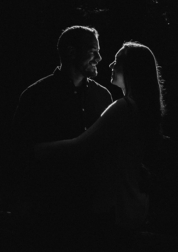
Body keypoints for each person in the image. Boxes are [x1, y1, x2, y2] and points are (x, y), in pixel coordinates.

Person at [34, 41, 166, 233]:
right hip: (135, 203)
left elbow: (79, 146)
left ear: (131, 68)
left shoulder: (124, 108)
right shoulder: (143, 108)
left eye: (117, 60)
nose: (111, 65)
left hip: (116, 206)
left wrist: (37, 150)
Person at [11, 26, 113, 232]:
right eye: (93, 51)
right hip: (47, 210)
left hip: (91, 210)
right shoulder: (36, 96)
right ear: (71, 52)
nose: (100, 58)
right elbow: (19, 153)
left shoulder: (103, 97)